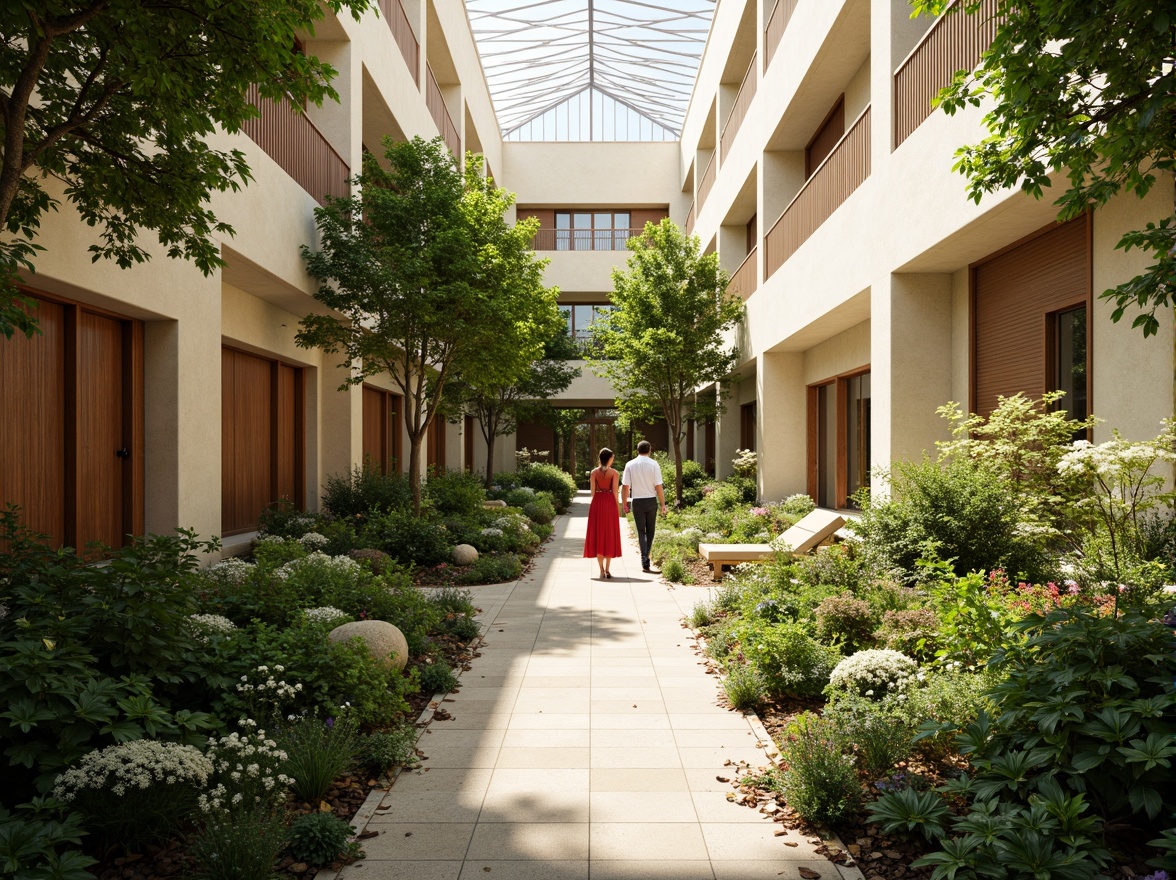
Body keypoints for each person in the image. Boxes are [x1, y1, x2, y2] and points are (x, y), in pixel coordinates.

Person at [621, 440, 668, 573]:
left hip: (637, 501)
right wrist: (663, 504)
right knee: (651, 530)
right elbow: (658, 486)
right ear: (649, 450)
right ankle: (646, 558)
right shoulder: (654, 464)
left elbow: (625, 486)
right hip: (651, 501)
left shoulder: (630, 464)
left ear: (637, 450)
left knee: (641, 531)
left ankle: (644, 559)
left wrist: (625, 503)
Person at [583, 447, 622, 578]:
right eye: (612, 457)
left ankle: (600, 570)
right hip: (609, 503)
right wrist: (617, 509)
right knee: (609, 535)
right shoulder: (614, 473)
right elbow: (615, 493)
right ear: (609, 458)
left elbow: (592, 493)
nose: (613, 460)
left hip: (597, 503)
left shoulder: (594, 473)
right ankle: (607, 569)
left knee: (598, 535)